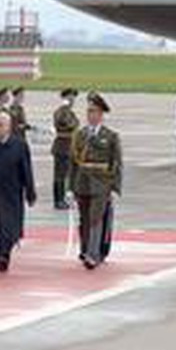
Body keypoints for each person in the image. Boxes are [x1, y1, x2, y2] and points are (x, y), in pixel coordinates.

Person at [0, 112, 36, 273]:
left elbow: (26, 171)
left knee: (7, 227)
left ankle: (4, 255)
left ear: (8, 127)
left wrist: (30, 193)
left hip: (11, 193)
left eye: (1, 125)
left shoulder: (19, 146)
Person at [69, 92, 122, 270]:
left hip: (101, 183)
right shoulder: (80, 135)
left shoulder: (111, 136)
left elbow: (116, 163)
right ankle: (85, 250)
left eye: (94, 111)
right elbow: (73, 163)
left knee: (95, 218)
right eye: (88, 111)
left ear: (101, 114)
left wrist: (115, 187)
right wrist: (70, 187)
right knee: (84, 219)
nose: (90, 115)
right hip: (82, 182)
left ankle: (93, 254)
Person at [52, 88, 80, 210]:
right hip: (62, 147)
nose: (72, 100)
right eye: (70, 97)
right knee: (60, 175)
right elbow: (65, 122)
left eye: (73, 97)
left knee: (66, 174)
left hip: (69, 147)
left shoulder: (69, 112)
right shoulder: (61, 111)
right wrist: (64, 108)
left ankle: (63, 198)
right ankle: (58, 200)